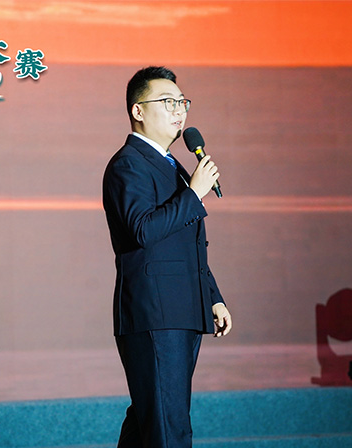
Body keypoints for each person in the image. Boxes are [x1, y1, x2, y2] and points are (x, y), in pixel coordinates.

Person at [102, 66, 232, 447]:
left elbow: (183, 243)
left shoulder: (173, 166)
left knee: (151, 421)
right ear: (138, 110)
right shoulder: (128, 164)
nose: (179, 111)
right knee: (167, 427)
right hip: (155, 314)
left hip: (182, 310)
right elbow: (143, 230)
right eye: (168, 102)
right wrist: (193, 194)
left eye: (182, 102)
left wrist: (213, 296)